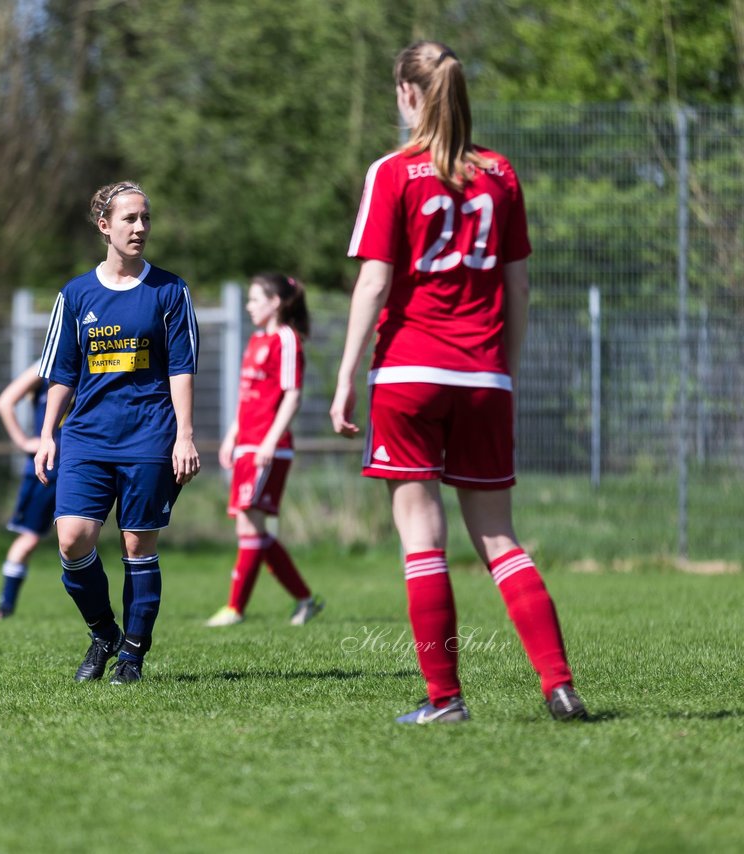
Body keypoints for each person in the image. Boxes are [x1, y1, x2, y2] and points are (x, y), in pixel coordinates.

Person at [331, 41, 588, 724]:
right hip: (483, 374)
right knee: (500, 538)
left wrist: (345, 375)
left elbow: (375, 281)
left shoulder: (394, 171)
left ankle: (445, 700)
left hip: (410, 371)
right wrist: (507, 367)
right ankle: (558, 685)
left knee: (422, 535)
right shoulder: (499, 173)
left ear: (408, 95)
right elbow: (519, 284)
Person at [35, 180, 200, 685]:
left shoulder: (170, 290)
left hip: (149, 435)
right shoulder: (76, 294)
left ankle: (132, 654)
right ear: (104, 226)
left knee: (136, 547)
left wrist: (185, 435)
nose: (141, 228)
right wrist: (47, 434)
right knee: (72, 541)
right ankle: (104, 631)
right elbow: (62, 371)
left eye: (146, 218)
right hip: (85, 435)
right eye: (130, 219)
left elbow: (182, 367)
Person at [206, 273, 325, 628]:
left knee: (250, 524)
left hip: (268, 446)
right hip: (248, 443)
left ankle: (235, 608)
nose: (248, 305)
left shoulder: (286, 339)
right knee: (252, 528)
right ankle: (305, 600)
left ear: (275, 303)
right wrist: (231, 436)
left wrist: (271, 440)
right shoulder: (256, 340)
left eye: (255, 299)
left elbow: (292, 393)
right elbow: (247, 399)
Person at [0, 362, 63, 620]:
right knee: (29, 538)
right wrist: (22, 441)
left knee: (83, 537)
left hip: (83, 465)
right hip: (47, 469)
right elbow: (5, 402)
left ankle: (100, 610)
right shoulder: (47, 365)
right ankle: (5, 605)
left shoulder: (94, 361)